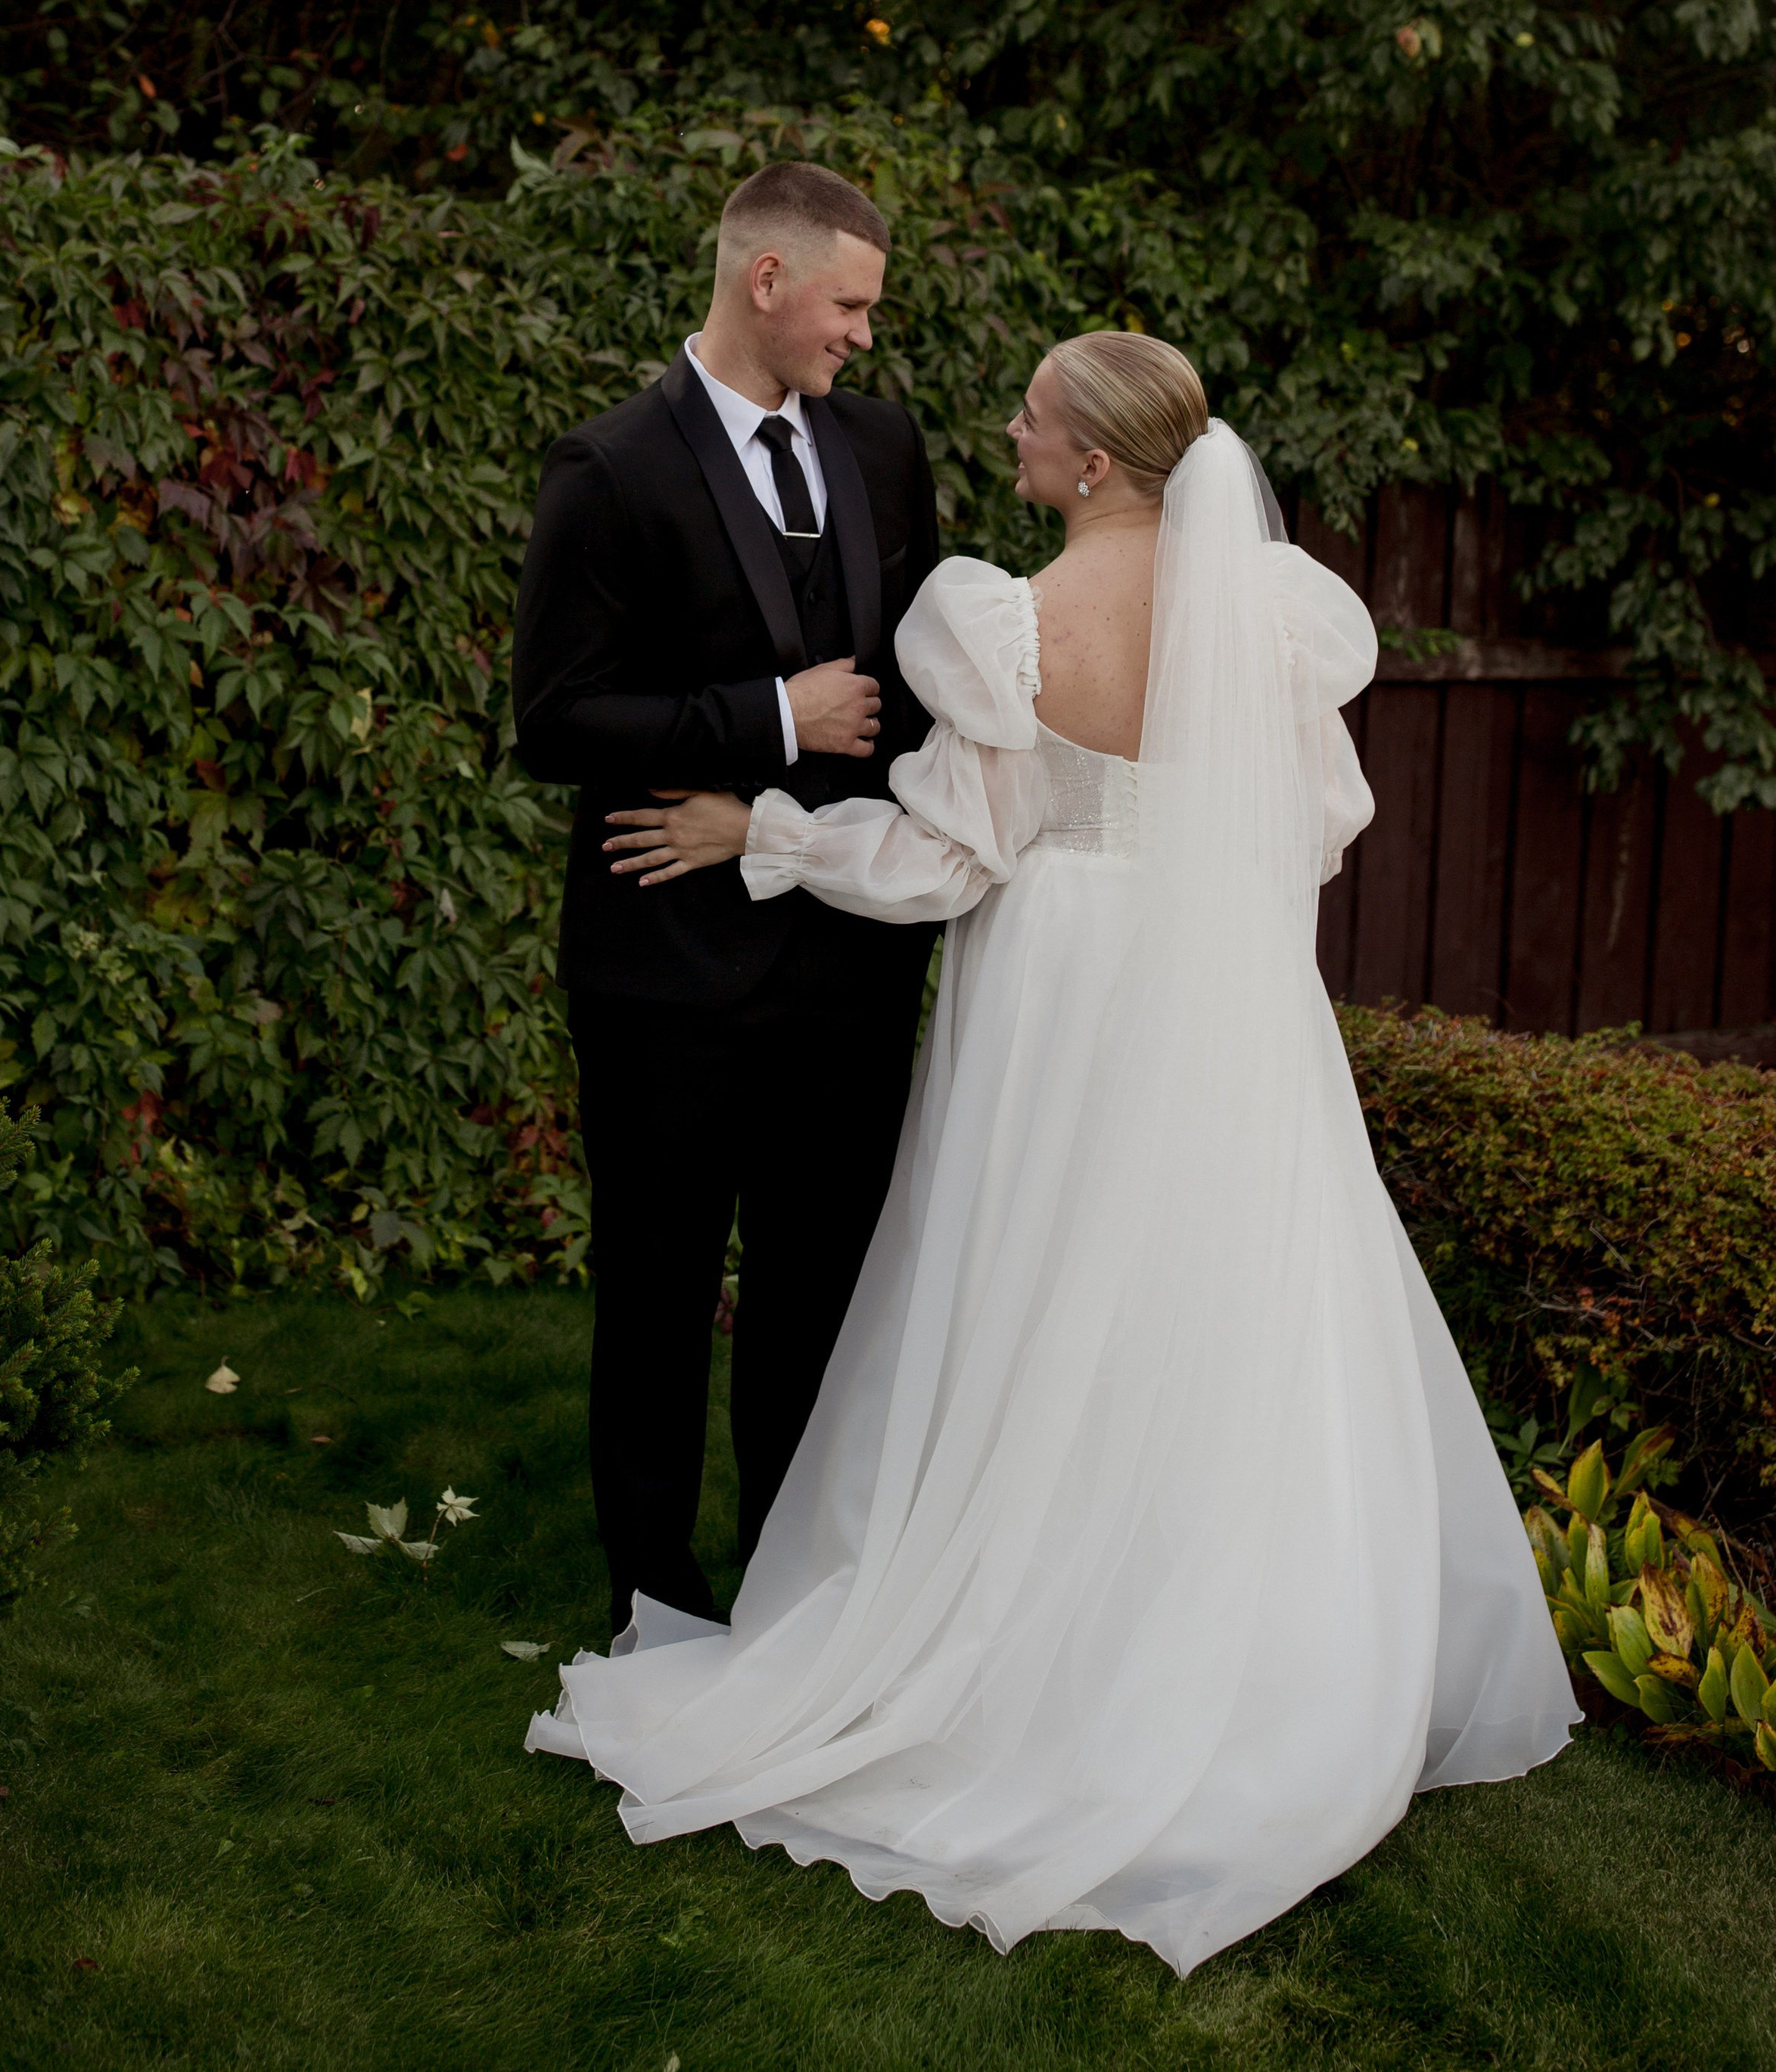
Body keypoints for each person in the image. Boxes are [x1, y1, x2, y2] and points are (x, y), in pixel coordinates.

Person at [527, 332, 1578, 1975]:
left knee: (1037, 1290)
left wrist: (766, 830)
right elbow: (1323, 824)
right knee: (1225, 1305)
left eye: (1027, 413)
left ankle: (1022, 1656)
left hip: (1067, 996)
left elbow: (951, 856)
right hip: (1227, 993)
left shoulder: (1004, 624)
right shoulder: (1277, 622)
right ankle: (1252, 1660)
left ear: (1090, 462)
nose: (1001, 428)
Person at [512, 160, 940, 1634]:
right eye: (847, 304)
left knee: (818, 1294)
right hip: (666, 970)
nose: (861, 338)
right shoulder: (610, 467)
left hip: (852, 964)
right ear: (767, 282)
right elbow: (555, 719)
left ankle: (793, 1583)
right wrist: (766, 720)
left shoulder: (884, 451)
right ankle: (653, 1600)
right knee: (655, 1292)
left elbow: (920, 698)